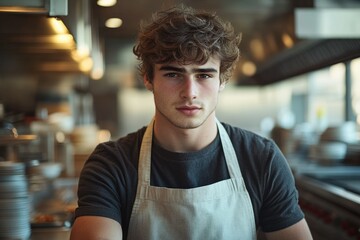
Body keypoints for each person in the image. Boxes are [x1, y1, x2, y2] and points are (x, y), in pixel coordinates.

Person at [70, 5, 313, 240]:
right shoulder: (111, 164)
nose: (190, 92)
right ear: (148, 78)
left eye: (204, 75)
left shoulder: (262, 159)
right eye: (173, 74)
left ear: (222, 80)